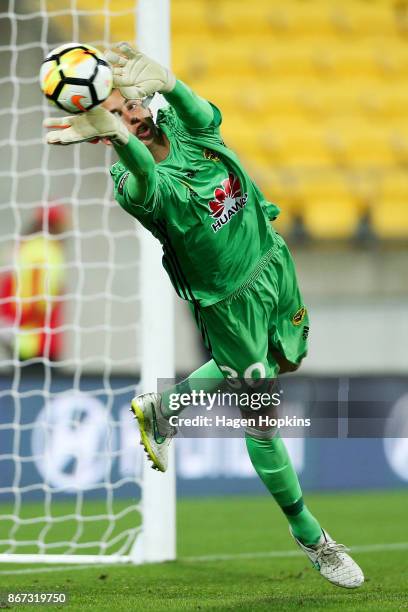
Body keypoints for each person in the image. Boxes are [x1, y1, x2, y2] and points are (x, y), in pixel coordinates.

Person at [44, 43, 364, 589]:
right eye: (116, 117)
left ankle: (165, 408)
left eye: (132, 106)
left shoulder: (180, 125)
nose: (134, 119)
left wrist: (169, 82)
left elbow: (204, 116)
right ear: (101, 131)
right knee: (261, 415)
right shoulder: (129, 185)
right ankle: (314, 538)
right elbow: (145, 173)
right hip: (228, 303)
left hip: (272, 261)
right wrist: (121, 139)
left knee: (283, 363)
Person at [0, 204, 67, 361]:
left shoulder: (22, 247)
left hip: (17, 334)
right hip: (37, 340)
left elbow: (8, 283)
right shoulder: (47, 250)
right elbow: (40, 298)